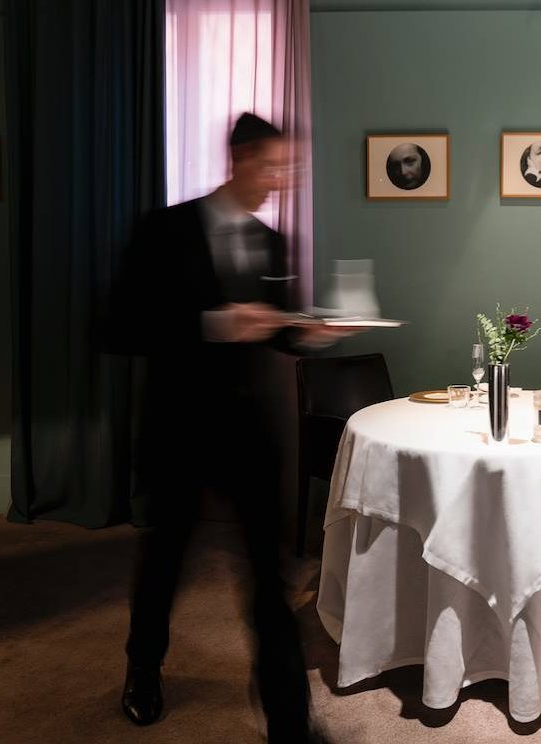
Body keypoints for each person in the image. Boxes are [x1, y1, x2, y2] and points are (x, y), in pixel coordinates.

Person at [111, 113, 347, 744]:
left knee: (269, 577)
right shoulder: (165, 230)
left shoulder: (272, 242)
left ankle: (290, 720)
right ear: (239, 159)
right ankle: (143, 667)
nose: (280, 180)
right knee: (164, 561)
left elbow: (280, 326)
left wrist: (313, 334)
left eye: (287, 169)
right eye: (272, 166)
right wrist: (214, 324)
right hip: (178, 429)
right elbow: (121, 324)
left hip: (251, 435)